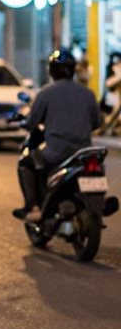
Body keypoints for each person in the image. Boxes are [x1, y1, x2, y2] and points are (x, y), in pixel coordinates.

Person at [14, 48, 101, 223]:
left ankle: (33, 207)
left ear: (51, 70)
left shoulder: (46, 93)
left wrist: (22, 122)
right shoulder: (88, 93)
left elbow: (32, 123)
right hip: (84, 153)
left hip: (56, 153)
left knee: (26, 163)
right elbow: (97, 123)